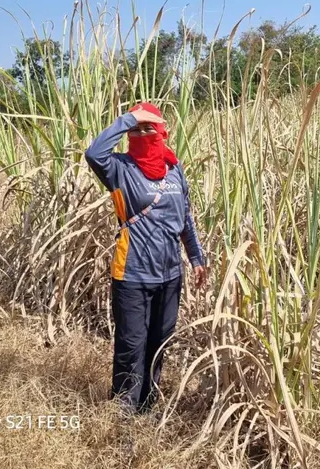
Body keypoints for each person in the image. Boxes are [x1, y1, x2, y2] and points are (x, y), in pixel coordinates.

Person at [84, 102, 207, 414]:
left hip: (170, 275)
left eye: (148, 128)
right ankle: (122, 414)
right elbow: (93, 153)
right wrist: (130, 118)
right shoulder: (120, 169)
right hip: (132, 274)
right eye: (135, 130)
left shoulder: (175, 170)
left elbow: (185, 219)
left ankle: (147, 407)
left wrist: (196, 257)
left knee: (158, 344)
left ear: (162, 132)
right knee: (131, 347)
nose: (141, 134)